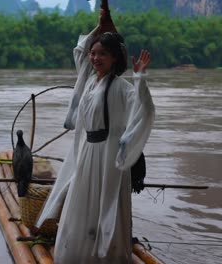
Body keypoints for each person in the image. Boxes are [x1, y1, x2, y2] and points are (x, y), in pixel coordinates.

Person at [35, 8, 155, 264]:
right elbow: (80, 49)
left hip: (109, 156)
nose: (95, 57)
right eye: (94, 53)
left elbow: (144, 110)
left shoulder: (123, 89)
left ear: (114, 58)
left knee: (107, 206)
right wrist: (99, 27)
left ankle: (107, 256)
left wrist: (140, 77)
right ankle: (77, 254)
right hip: (87, 152)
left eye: (103, 54)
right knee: (80, 204)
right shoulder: (88, 81)